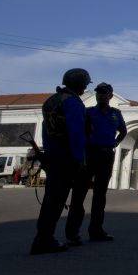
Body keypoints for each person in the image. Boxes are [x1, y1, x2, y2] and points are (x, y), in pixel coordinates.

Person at [30, 68, 91, 255]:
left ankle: (43, 236)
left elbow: (45, 130)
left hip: (52, 155)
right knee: (57, 200)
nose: (85, 88)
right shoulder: (72, 102)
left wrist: (47, 152)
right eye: (85, 84)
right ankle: (44, 240)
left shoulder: (51, 100)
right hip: (67, 157)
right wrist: (79, 158)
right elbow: (76, 133)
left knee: (51, 199)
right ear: (79, 83)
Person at [64, 83, 126, 246]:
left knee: (100, 195)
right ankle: (72, 233)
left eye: (104, 93)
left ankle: (96, 230)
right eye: (98, 93)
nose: (100, 96)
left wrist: (115, 143)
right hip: (89, 154)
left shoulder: (115, 114)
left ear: (110, 96)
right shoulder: (89, 112)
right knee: (79, 194)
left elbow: (124, 131)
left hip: (106, 154)